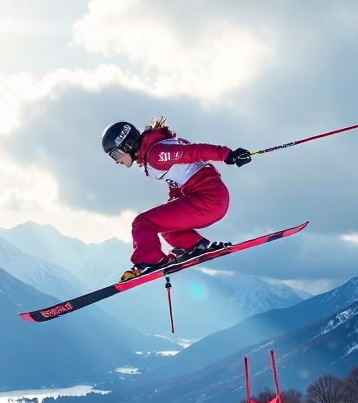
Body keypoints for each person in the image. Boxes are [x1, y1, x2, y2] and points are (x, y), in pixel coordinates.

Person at [101, 117, 252, 281]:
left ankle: (148, 262)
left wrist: (226, 154)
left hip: (208, 199)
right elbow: (177, 180)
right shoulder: (154, 151)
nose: (116, 161)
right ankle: (195, 245)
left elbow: (194, 152)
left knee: (143, 222)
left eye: (115, 153)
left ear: (127, 145)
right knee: (164, 225)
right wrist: (172, 201)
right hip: (210, 199)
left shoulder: (155, 155)